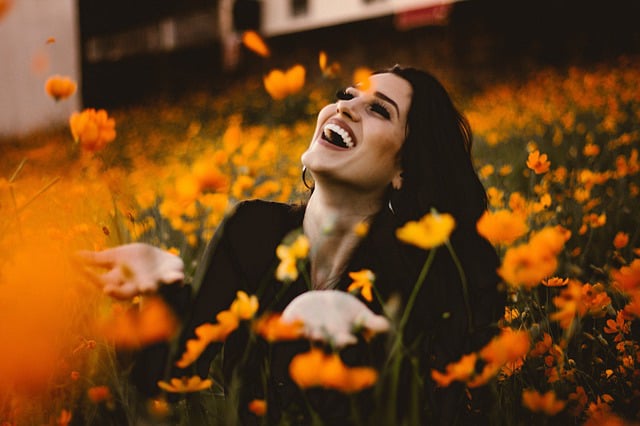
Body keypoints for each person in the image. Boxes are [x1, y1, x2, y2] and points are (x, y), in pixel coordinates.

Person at [81, 65, 504, 425]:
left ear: (403, 171)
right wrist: (163, 289)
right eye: (347, 96)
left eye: (377, 109)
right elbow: (165, 381)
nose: (344, 107)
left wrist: (363, 349)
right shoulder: (250, 231)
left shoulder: (411, 281)